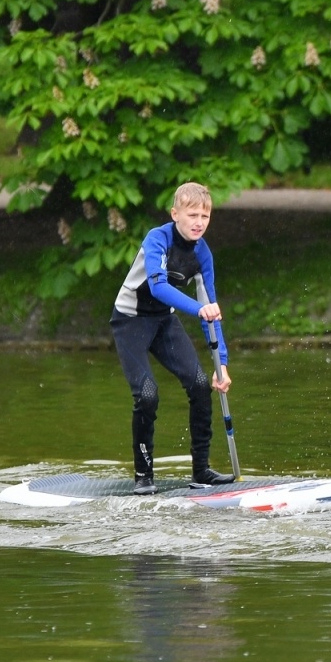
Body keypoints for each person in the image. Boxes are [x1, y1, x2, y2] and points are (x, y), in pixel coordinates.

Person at [111, 181, 234, 495]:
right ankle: (143, 477)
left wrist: (222, 364)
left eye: (205, 217)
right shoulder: (158, 239)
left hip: (163, 321)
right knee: (148, 394)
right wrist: (198, 309)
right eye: (192, 215)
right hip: (130, 321)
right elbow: (157, 287)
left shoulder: (202, 253)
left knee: (200, 384)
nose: (198, 223)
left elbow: (212, 307)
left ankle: (201, 471)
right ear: (175, 214)